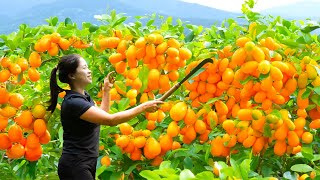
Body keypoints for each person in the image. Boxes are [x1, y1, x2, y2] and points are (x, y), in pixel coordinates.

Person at [47, 54, 163, 180]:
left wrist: (106, 91)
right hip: (75, 164)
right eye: (84, 68)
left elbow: (103, 115)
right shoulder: (74, 102)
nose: (89, 71)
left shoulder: (84, 97)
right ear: (72, 75)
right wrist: (143, 107)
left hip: (85, 163)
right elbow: (110, 120)